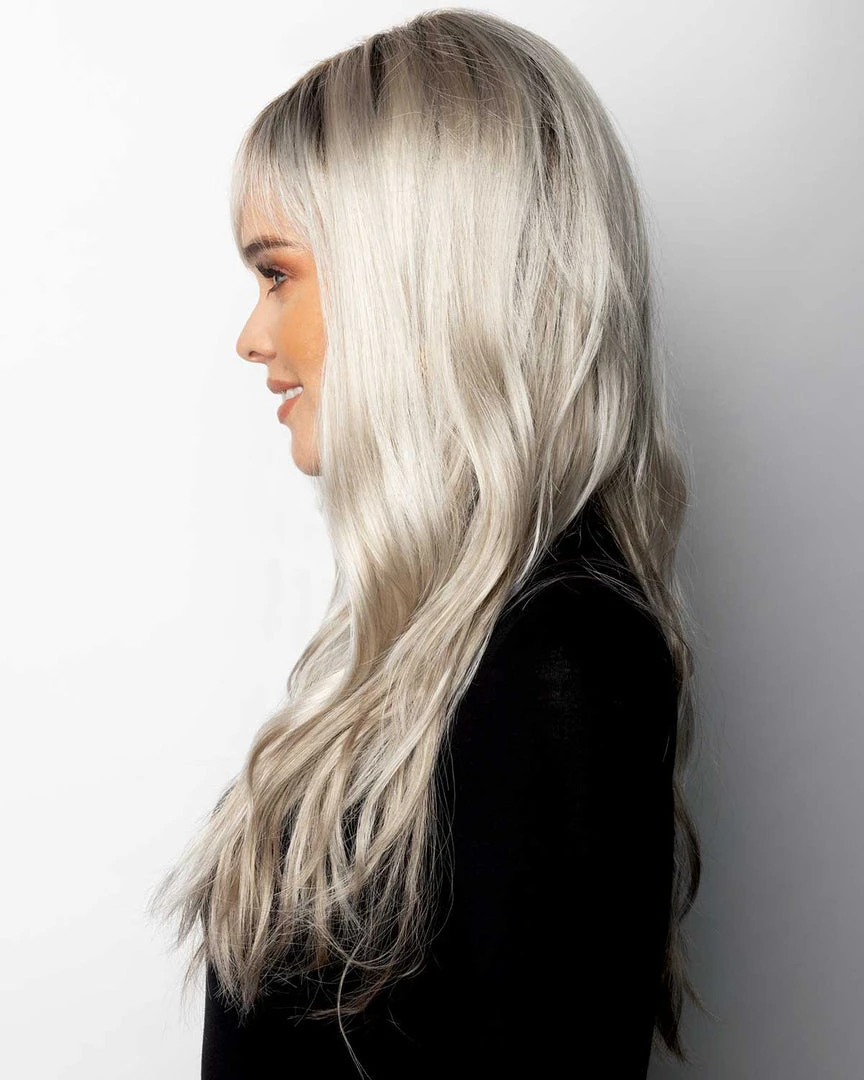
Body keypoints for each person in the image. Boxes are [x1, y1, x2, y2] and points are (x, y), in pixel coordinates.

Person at [147, 10, 706, 1077]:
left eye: (277, 273)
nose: (253, 337)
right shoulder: (461, 644)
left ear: (407, 276)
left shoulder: (558, 658)